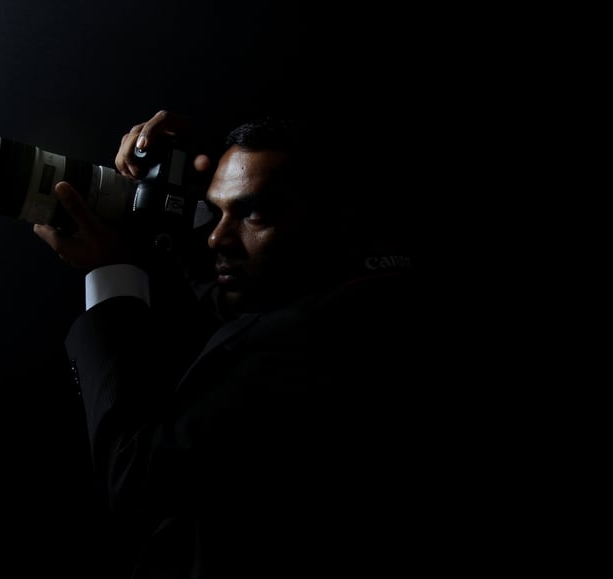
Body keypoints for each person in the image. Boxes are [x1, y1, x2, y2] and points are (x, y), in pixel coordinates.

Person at [33, 110, 428, 577]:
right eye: (215, 210)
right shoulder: (351, 294)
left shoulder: (322, 345)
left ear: (331, 217)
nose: (217, 237)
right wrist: (177, 194)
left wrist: (110, 274)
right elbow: (233, 304)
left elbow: (134, 476)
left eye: (252, 213)